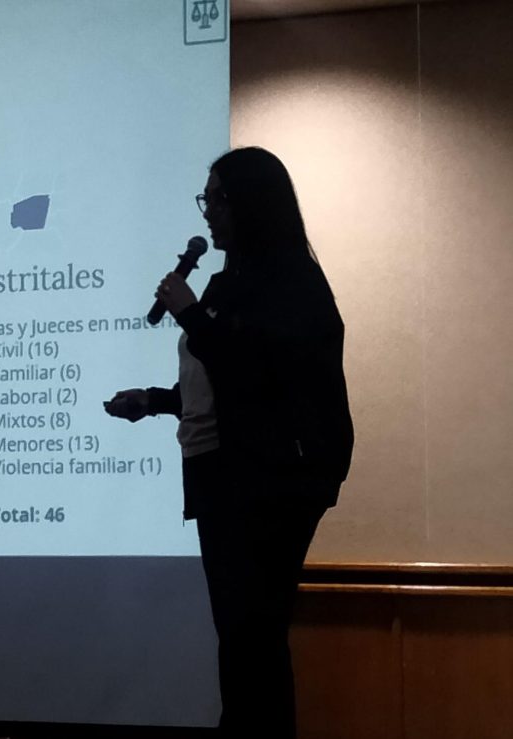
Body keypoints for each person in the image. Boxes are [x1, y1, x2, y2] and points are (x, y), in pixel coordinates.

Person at [105, 147, 353, 738]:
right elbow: (221, 383)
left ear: (252, 204)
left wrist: (191, 316)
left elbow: (257, 374)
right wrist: (155, 400)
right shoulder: (229, 280)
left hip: (272, 481)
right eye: (207, 199)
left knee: (252, 637)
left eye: (218, 199)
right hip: (222, 476)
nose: (209, 213)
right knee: (242, 638)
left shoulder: (290, 282)